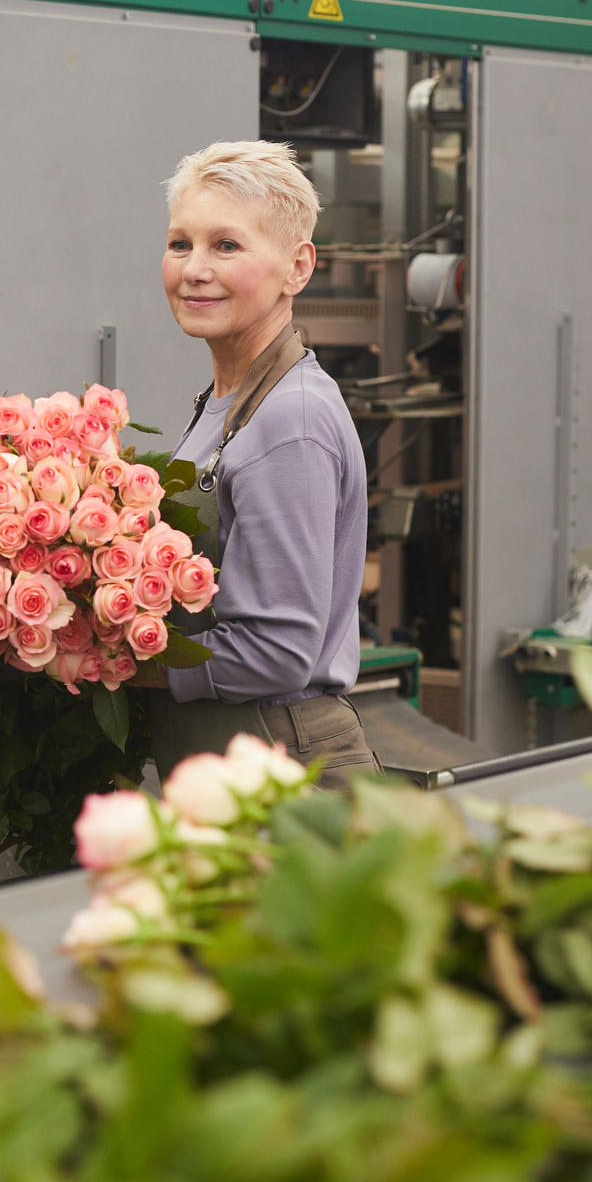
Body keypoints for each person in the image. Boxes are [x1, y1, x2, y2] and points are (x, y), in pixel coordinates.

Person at [133, 139, 380, 789]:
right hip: (231, 763)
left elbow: (275, 653)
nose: (193, 269)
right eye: (180, 244)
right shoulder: (230, 401)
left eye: (226, 246)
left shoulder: (287, 420)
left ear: (297, 267)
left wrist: (110, 661)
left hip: (284, 768)